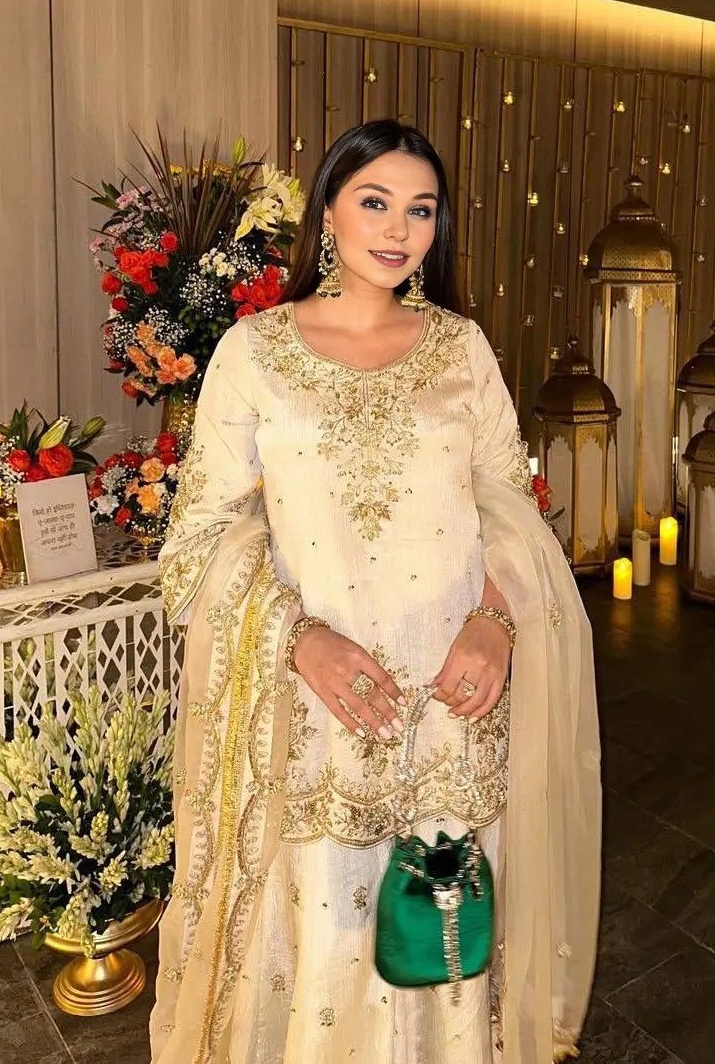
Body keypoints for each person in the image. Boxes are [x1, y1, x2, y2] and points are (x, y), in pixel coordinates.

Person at [149, 120, 601, 1063]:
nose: (398, 229)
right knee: (327, 939)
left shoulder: (460, 348)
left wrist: (494, 622)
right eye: (375, 201)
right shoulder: (255, 352)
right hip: (317, 710)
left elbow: (511, 515)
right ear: (328, 212)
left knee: (443, 938)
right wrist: (298, 640)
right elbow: (196, 546)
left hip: (451, 699)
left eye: (421, 209)